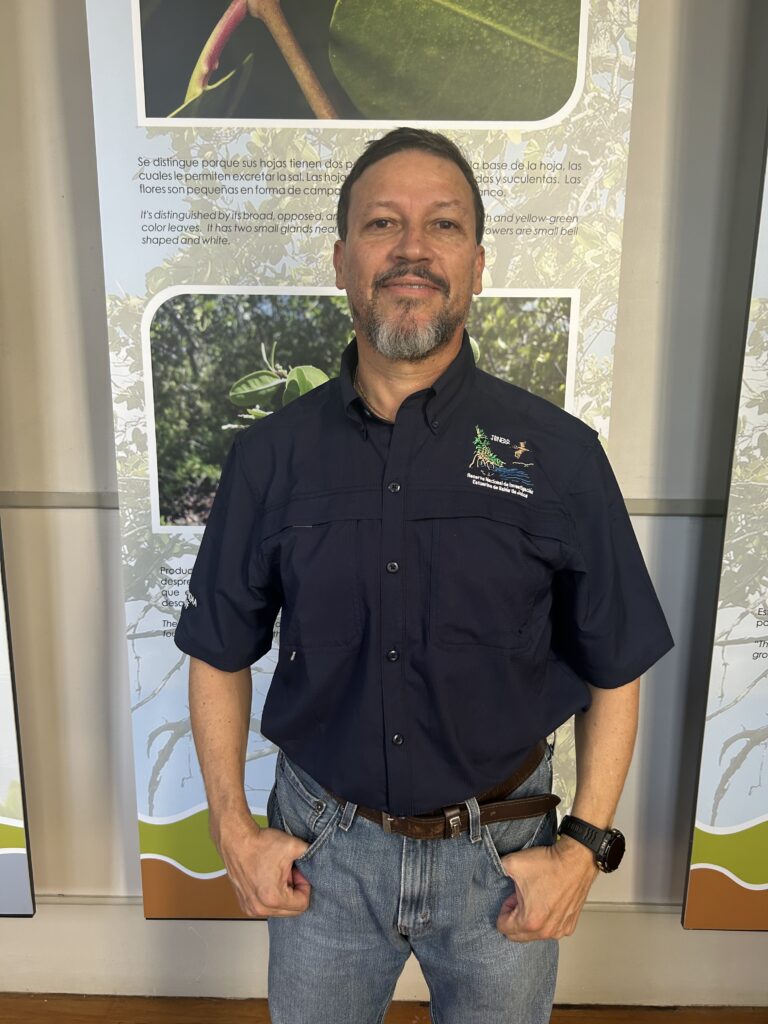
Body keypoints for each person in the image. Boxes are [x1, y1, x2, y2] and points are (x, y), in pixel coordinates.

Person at [174, 127, 674, 1024]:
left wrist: (584, 848)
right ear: (341, 261)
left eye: (442, 225)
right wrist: (232, 827)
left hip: (504, 859)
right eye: (381, 224)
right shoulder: (268, 458)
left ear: (478, 265)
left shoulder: (560, 457)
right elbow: (217, 650)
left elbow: (616, 663)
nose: (412, 248)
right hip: (322, 850)